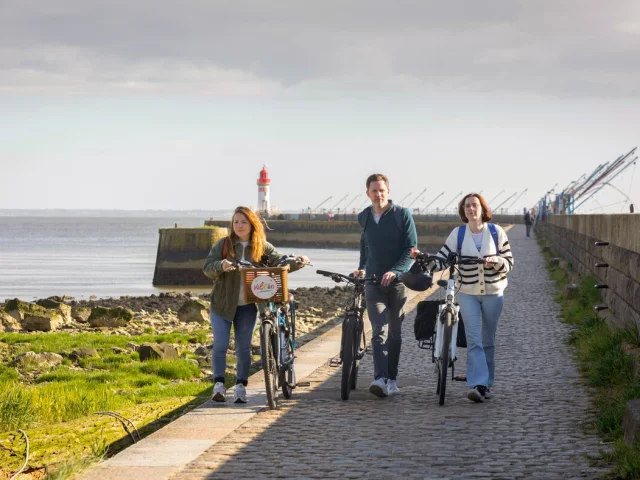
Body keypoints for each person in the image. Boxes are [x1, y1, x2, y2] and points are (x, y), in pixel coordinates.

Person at [410, 193, 514, 403]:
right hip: (467, 293)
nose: (470, 209)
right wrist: (424, 258)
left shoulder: (496, 232)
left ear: (482, 209)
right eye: (467, 206)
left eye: (474, 205)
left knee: (488, 340)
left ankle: (487, 383)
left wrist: (496, 261)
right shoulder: (457, 235)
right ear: (463, 211)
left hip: (494, 293)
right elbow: (442, 262)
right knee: (474, 340)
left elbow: (509, 261)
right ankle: (478, 385)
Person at [203, 206, 310, 404]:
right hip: (222, 304)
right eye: (236, 222)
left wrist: (299, 262)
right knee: (220, 345)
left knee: (243, 348)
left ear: (252, 225)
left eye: (244, 222)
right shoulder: (224, 245)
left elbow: (280, 264)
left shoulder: (262, 246)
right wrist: (221, 265)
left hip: (249, 306)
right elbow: (207, 268)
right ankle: (218, 385)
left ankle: (240, 387)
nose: (239, 226)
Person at [354, 174, 417, 397]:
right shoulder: (364, 217)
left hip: (398, 284)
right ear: (368, 193)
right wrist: (362, 268)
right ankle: (379, 378)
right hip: (373, 283)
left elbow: (411, 249)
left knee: (395, 333)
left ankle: (392, 378)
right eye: (374, 191)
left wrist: (396, 271)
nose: (378, 194)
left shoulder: (402, 215)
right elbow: (365, 248)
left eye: (382, 190)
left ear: (388, 192)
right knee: (379, 330)